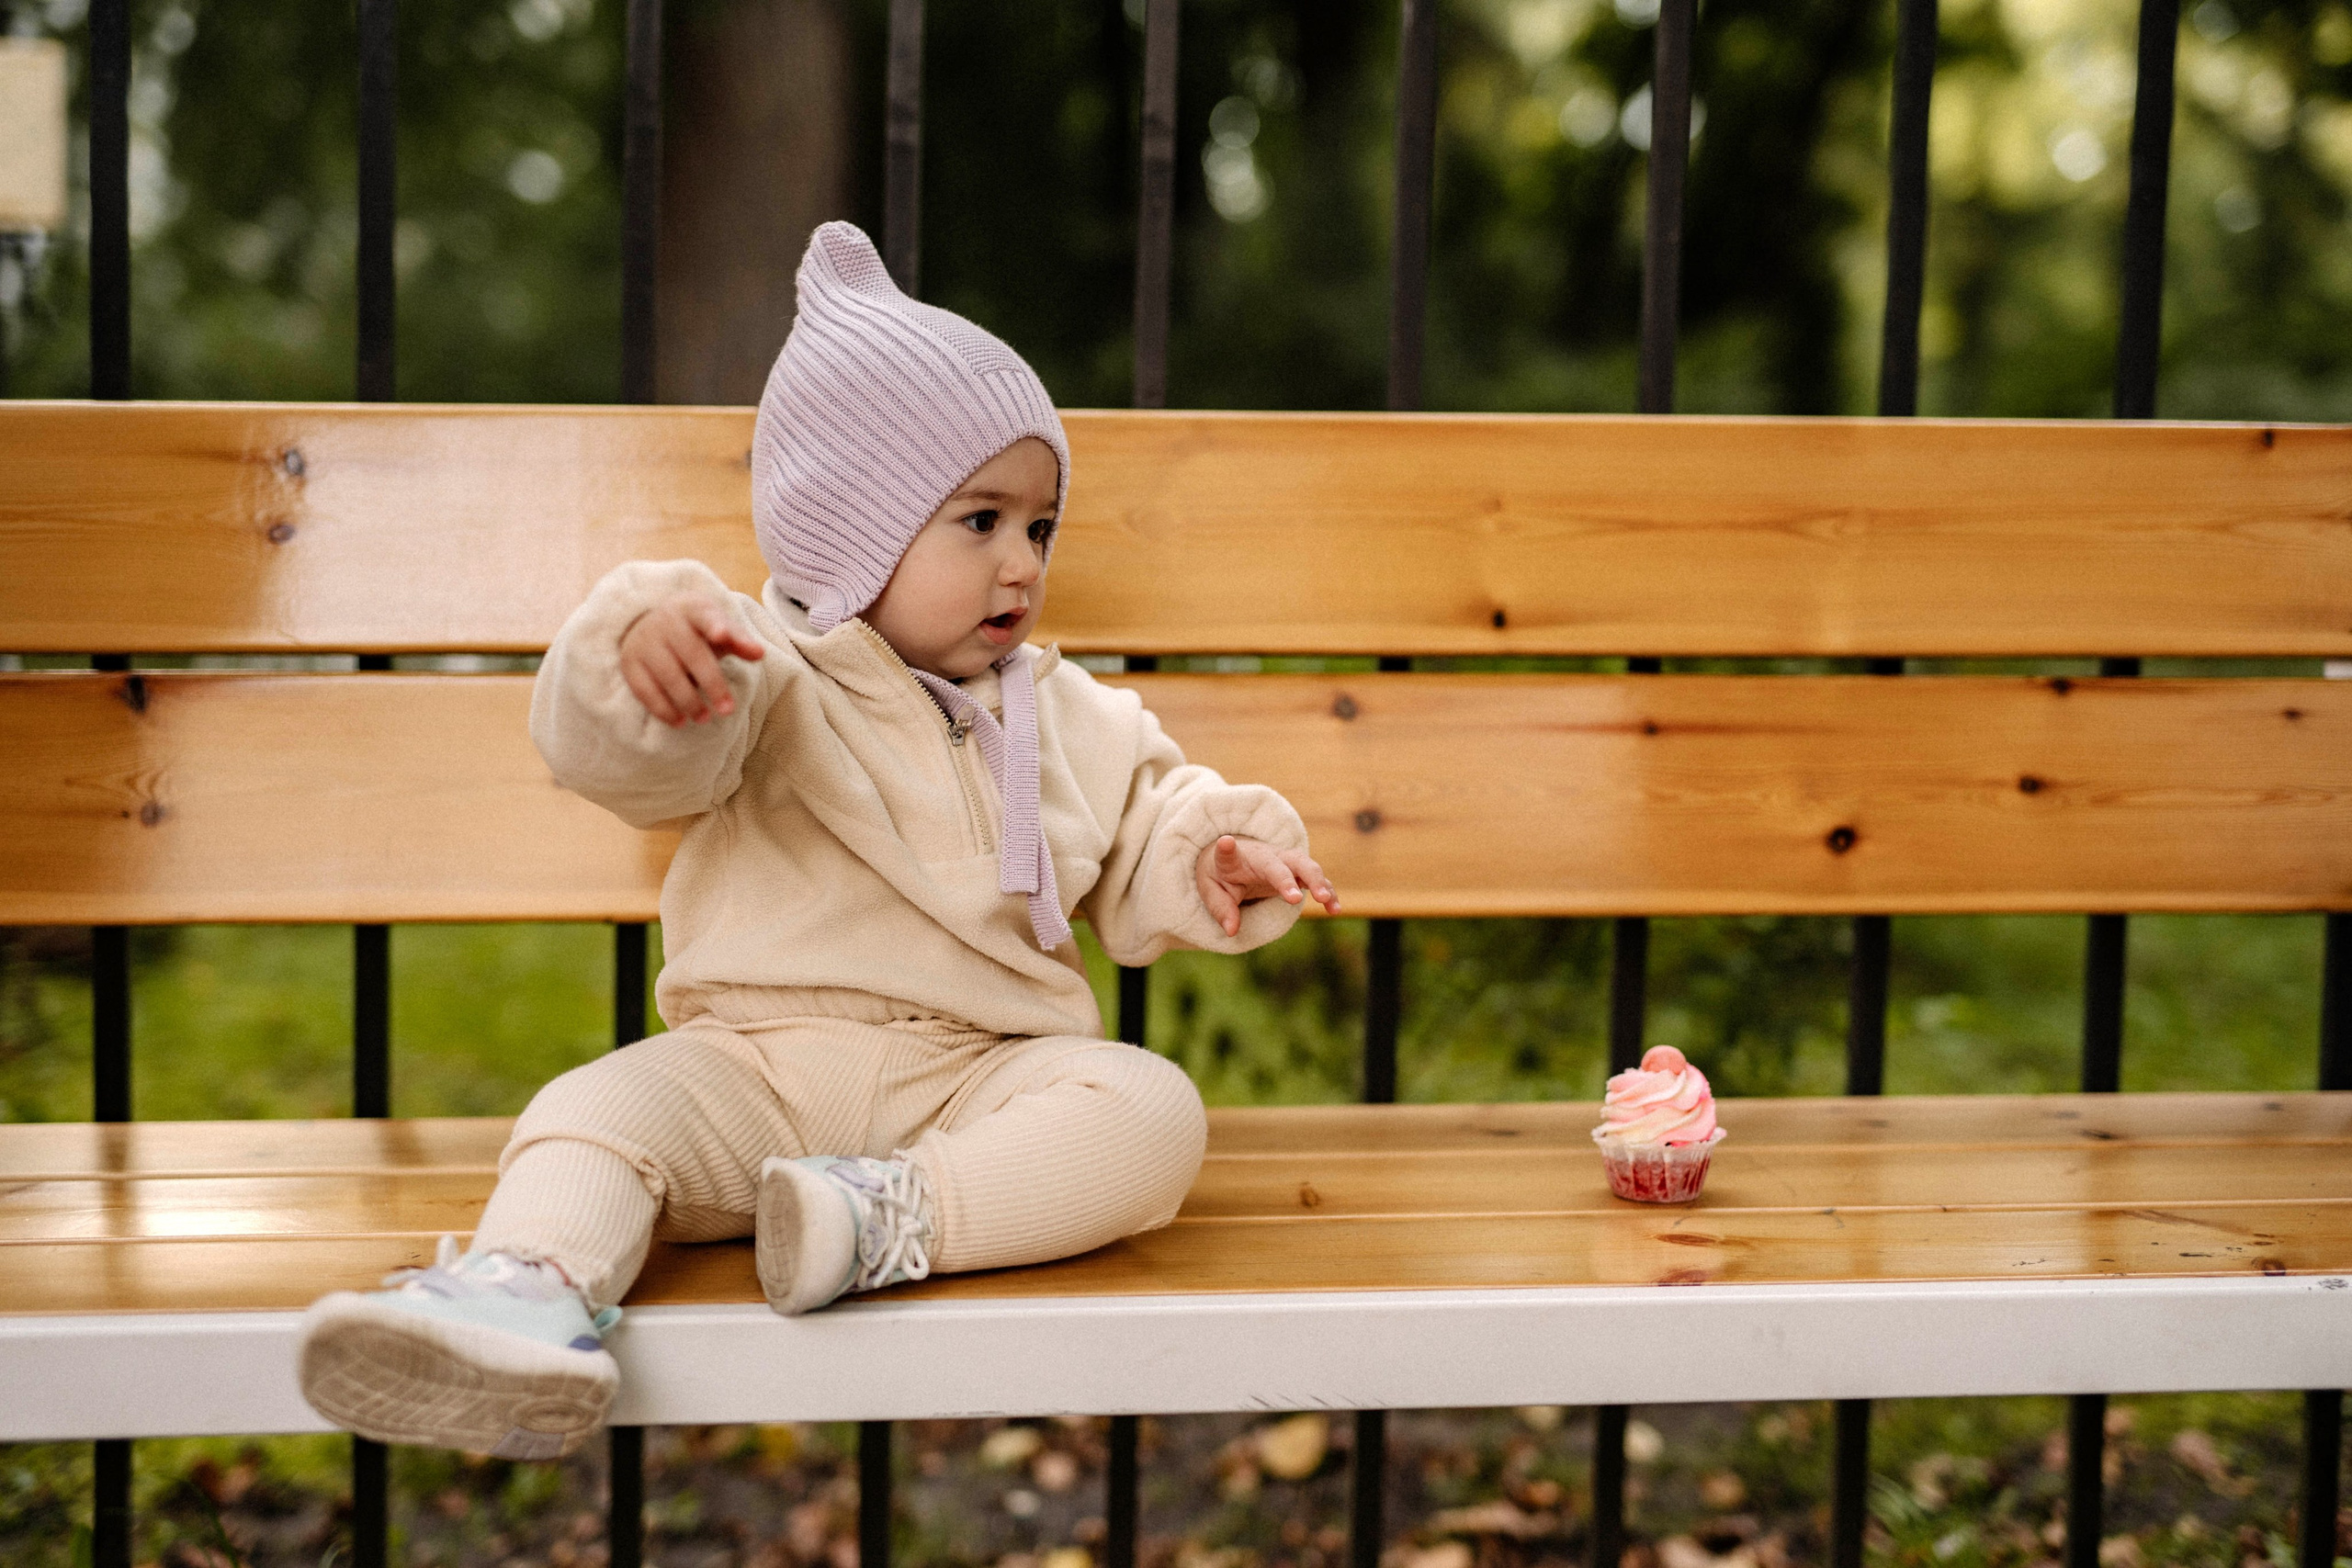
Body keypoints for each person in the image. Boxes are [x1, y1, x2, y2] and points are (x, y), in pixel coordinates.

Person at [295, 221, 1339, 1461]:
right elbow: (636, 761)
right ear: (852, 523)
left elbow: (1142, 833)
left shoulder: (1067, 711)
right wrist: (647, 669)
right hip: (754, 1068)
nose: (1023, 563)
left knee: (1150, 1112)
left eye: (1040, 528)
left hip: (978, 1076)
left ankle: (888, 1218)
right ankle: (523, 1295)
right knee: (597, 1109)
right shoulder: (762, 668)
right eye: (981, 521)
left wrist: (1209, 853)